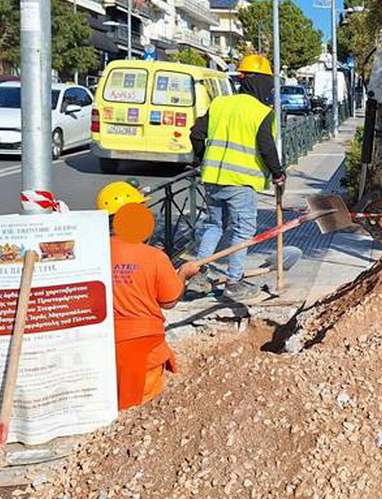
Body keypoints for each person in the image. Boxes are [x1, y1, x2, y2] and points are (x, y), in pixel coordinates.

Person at [190, 54, 285, 304]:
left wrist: (202, 159)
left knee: (214, 226)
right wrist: (277, 172)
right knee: (243, 231)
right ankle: (233, 282)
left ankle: (199, 275)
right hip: (240, 183)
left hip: (212, 179)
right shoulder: (262, 112)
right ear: (262, 83)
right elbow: (266, 146)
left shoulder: (220, 104)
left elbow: (196, 134)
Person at [97, 182, 201, 410]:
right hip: (144, 350)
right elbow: (169, 301)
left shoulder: (93, 252)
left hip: (101, 347)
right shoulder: (153, 256)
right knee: (140, 411)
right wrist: (183, 274)